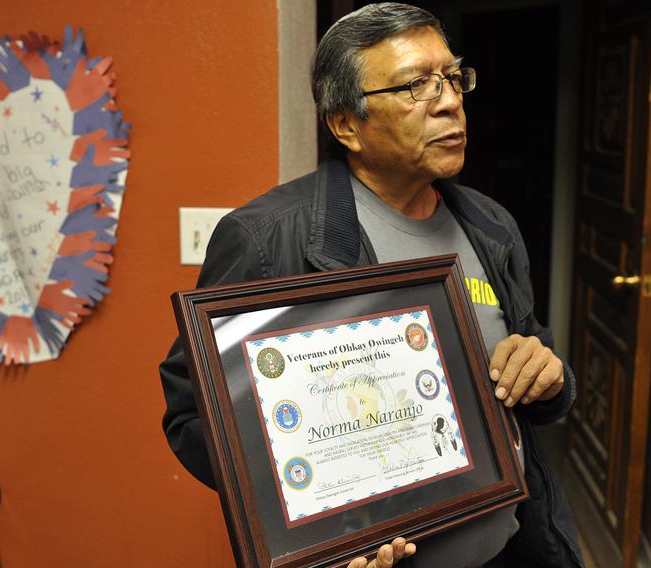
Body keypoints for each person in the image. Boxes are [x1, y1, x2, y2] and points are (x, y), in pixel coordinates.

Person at [159, 3, 584, 567]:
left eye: (453, 78)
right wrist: (323, 528)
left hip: (510, 550)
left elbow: (534, 360)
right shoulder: (265, 241)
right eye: (416, 86)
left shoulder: (491, 225)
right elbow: (194, 419)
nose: (451, 102)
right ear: (346, 125)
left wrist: (549, 377)